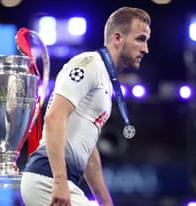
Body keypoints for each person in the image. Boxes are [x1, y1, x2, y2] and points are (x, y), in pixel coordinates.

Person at [20, 6, 151, 206]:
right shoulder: (89, 64)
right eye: (140, 39)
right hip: (45, 180)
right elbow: (54, 117)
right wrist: (59, 182)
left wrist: (106, 203)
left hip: (58, 181)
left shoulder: (105, 80)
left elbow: (89, 155)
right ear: (117, 38)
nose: (145, 49)